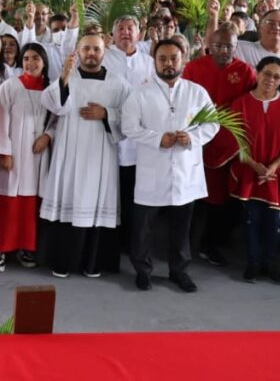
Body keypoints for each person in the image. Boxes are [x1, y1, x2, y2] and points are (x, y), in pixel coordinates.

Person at [121, 39, 219, 293]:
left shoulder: (197, 92)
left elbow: (212, 124)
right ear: (154, 61)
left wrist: (193, 138)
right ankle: (142, 271)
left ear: (184, 59)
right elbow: (129, 127)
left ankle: (179, 271)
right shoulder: (140, 93)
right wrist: (157, 139)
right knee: (143, 227)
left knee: (181, 227)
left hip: (186, 170)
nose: (168, 63)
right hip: (151, 169)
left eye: (173, 58)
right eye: (162, 59)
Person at [40, 31, 131, 278]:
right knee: (69, 198)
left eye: (96, 49)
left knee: (97, 202)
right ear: (78, 52)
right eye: (86, 49)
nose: (91, 53)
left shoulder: (119, 83)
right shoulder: (69, 76)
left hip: (101, 153)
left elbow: (132, 118)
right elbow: (53, 104)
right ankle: (63, 261)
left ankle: (92, 263)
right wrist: (64, 77)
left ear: (104, 52)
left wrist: (107, 114)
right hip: (70, 149)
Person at [223, 57, 280, 285]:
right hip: (249, 171)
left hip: (276, 175)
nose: (270, 80)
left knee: (274, 221)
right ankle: (252, 264)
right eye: (266, 74)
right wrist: (253, 164)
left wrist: (274, 166)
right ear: (257, 73)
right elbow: (232, 140)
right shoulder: (240, 103)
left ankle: (271, 264)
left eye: (276, 76)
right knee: (251, 219)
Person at [183, 27, 256, 266]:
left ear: (236, 47)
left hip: (229, 142)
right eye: (218, 46)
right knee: (190, 196)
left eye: (229, 46)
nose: (224, 51)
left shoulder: (245, 71)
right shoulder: (194, 68)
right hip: (195, 139)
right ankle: (184, 244)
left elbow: (252, 102)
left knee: (221, 197)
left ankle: (212, 243)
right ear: (209, 46)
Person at [0, 43, 53, 272]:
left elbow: (57, 119)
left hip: (37, 156)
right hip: (14, 154)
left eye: (35, 58)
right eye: (26, 59)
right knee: (7, 204)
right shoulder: (10, 86)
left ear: (44, 62)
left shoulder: (50, 90)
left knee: (31, 206)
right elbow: (0, 122)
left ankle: (26, 247)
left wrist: (48, 136)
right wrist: (4, 152)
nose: (30, 63)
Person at [101, 15, 154, 267]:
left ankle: (132, 244)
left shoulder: (149, 62)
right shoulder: (103, 56)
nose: (125, 32)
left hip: (138, 143)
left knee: (133, 195)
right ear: (112, 34)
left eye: (130, 28)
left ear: (138, 33)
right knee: (110, 193)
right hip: (106, 134)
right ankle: (108, 245)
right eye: (120, 28)